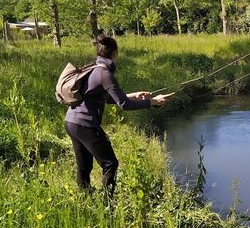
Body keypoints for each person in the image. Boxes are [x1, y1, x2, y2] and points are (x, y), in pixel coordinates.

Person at [64, 36, 172, 198]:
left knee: (84, 166)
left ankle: (85, 199)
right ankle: (107, 202)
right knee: (110, 163)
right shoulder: (105, 73)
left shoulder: (94, 68)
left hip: (71, 122)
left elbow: (107, 99)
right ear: (114, 53)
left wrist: (134, 95)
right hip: (85, 124)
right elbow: (124, 105)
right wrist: (152, 102)